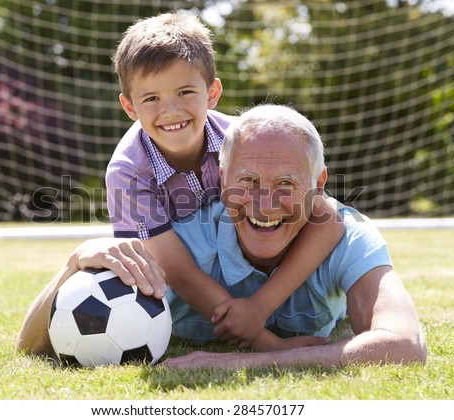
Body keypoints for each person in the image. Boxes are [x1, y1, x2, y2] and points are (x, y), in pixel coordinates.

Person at [101, 12, 345, 350]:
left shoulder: (243, 140)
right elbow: (179, 272)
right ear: (129, 106)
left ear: (212, 92)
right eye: (152, 98)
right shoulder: (128, 172)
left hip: (249, 268)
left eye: (185, 92)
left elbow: (326, 215)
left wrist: (260, 307)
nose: (171, 110)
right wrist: (265, 342)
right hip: (184, 284)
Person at [155, 104, 427, 368]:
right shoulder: (184, 245)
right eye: (248, 181)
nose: (265, 205)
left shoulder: (349, 234)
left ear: (318, 184)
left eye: (286, 184)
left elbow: (405, 343)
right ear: (224, 180)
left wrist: (239, 363)